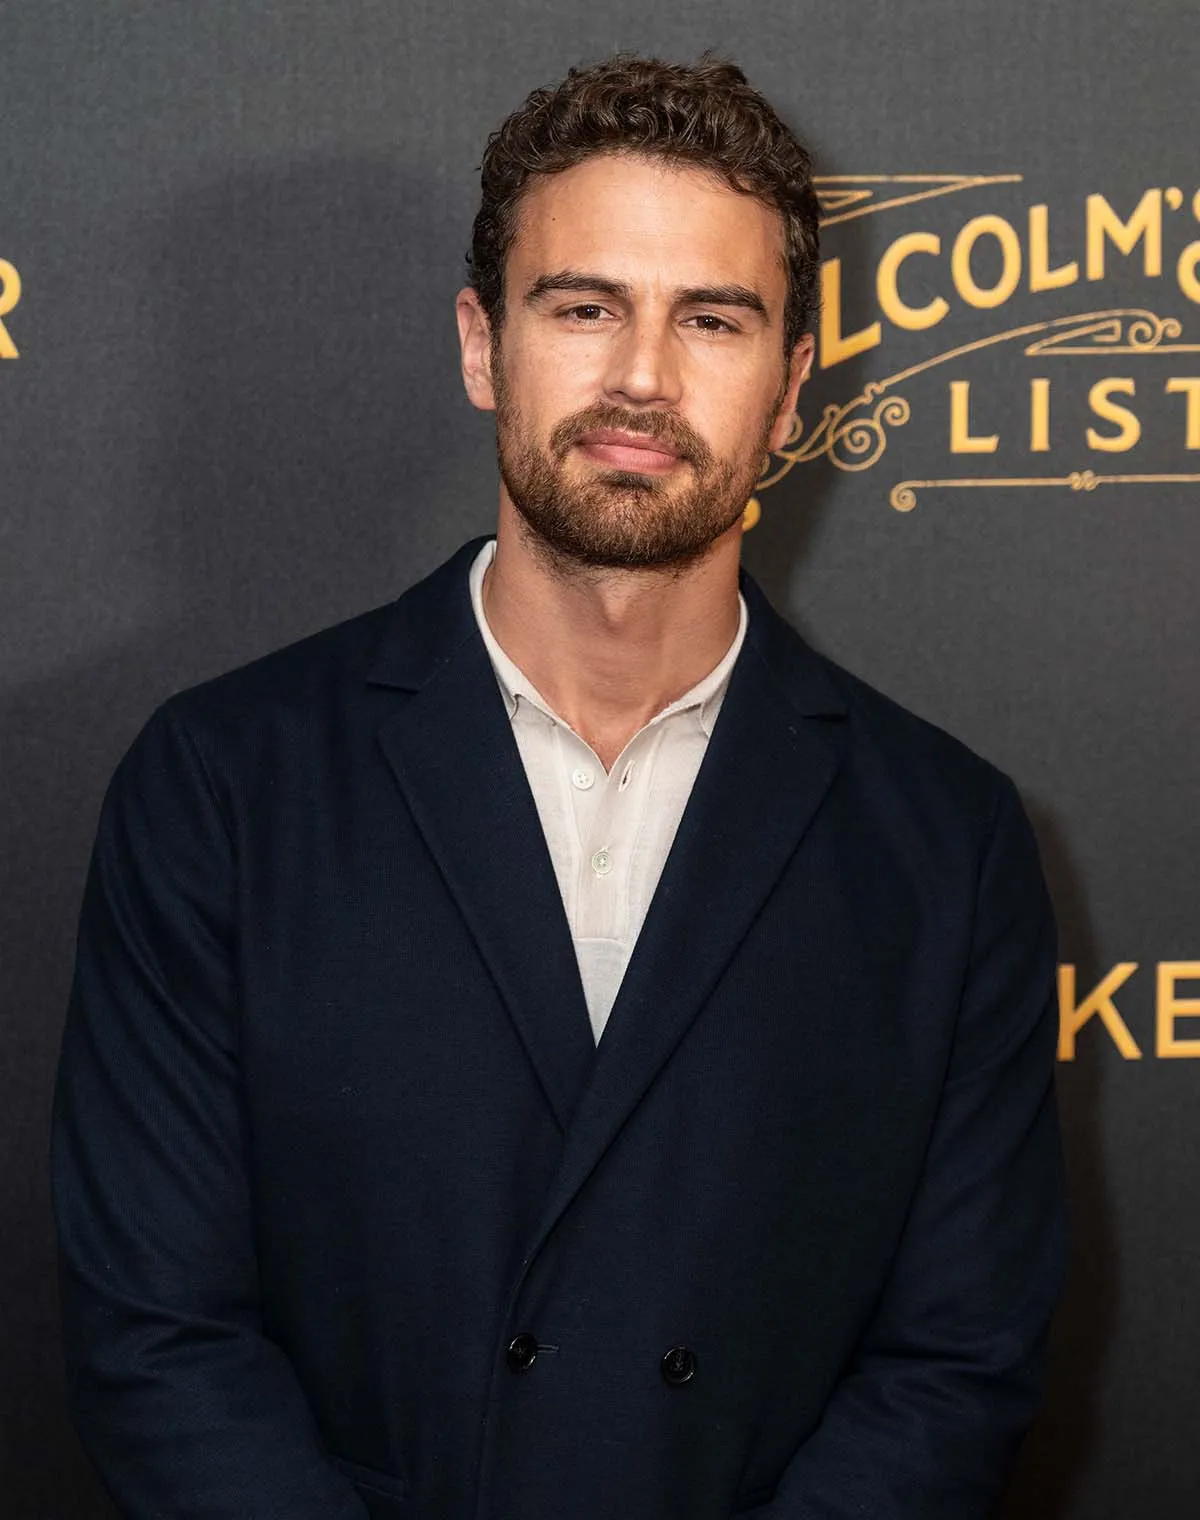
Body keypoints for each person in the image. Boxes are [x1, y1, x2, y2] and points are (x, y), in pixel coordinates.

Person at [52, 54, 1065, 1520]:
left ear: (792, 390)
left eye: (711, 319)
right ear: (484, 347)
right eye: (584, 307)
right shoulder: (223, 785)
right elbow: (158, 1338)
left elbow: (956, 1364)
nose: (642, 376)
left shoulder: (944, 843)